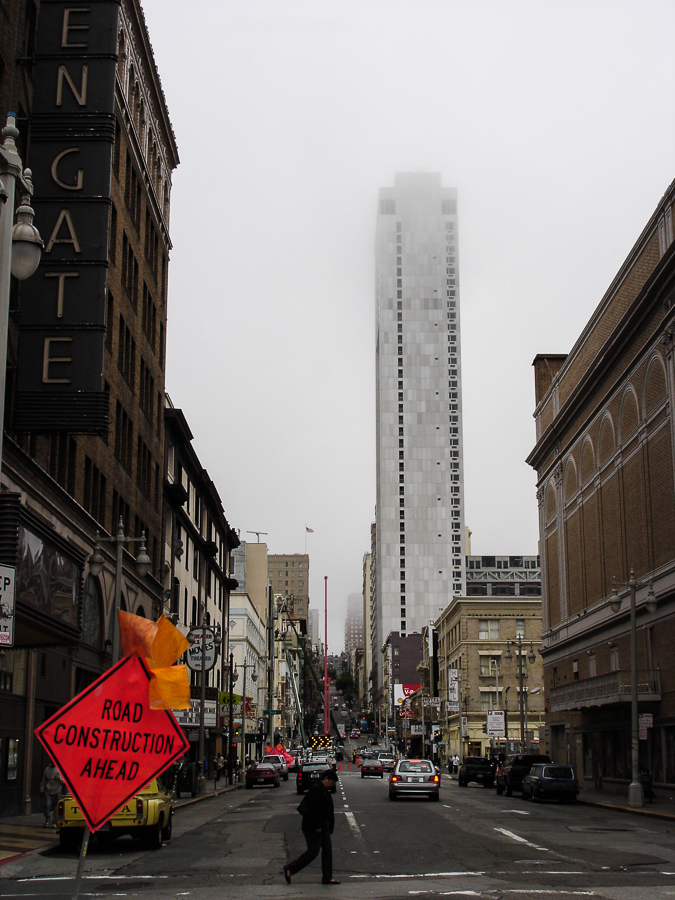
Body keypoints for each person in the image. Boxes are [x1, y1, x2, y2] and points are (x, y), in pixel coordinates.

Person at [284, 769, 339, 885]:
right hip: (313, 826)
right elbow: (312, 809)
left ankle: (327, 877)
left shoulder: (323, 790)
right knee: (313, 851)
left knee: (327, 850)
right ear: (326, 779)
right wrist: (317, 825)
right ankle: (290, 868)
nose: (332, 785)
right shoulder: (316, 789)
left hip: (323, 825)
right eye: (332, 782)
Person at [40, 761, 65, 828]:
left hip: (57, 790)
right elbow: (43, 780)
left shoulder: (59, 769)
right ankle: (48, 819)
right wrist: (41, 789)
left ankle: (54, 821)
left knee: (56, 806)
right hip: (48, 790)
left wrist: (59, 779)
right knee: (47, 805)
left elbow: (63, 782)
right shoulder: (47, 769)